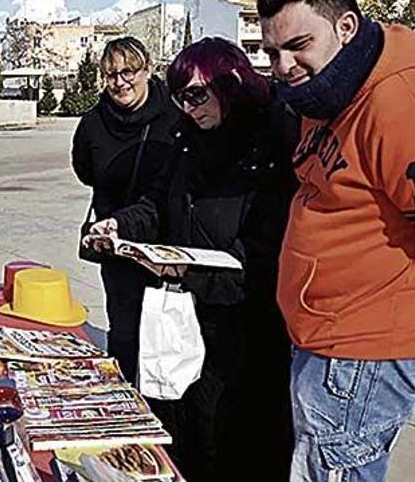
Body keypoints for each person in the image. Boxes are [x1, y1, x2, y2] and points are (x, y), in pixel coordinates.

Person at [91, 38, 299, 481]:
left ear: (232, 83)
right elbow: (156, 203)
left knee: (238, 445)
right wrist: (119, 225)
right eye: (181, 95)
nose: (188, 107)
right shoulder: (188, 140)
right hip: (191, 323)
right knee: (188, 437)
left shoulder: (273, 144)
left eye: (197, 94)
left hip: (249, 334)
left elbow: (264, 254)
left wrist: (191, 270)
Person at [258, 0, 415, 480]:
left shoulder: (404, 105)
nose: (283, 65)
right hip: (326, 339)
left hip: (363, 351)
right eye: (273, 52)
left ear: (346, 28)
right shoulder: (329, 89)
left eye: (298, 45)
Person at [71, 36, 180, 384]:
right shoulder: (92, 123)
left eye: (129, 71)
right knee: (124, 332)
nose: (120, 82)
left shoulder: (175, 116)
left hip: (164, 245)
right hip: (116, 246)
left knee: (166, 338)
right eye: (112, 74)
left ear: (147, 69)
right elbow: (84, 170)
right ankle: (123, 404)